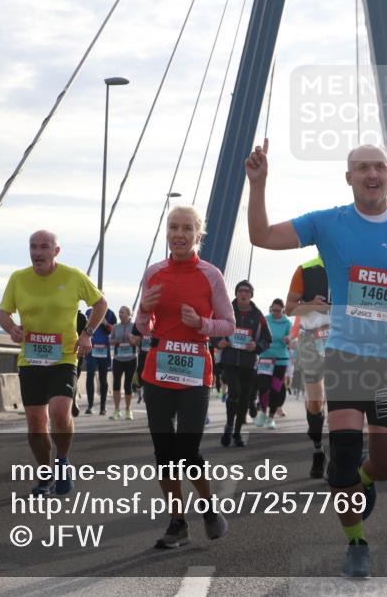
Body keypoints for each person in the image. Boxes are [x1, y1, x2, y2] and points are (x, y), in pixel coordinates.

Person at [246, 139, 387, 578]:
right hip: (346, 357)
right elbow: (261, 237)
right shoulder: (327, 223)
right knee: (342, 462)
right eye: (362, 168)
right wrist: (257, 185)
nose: (372, 174)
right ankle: (356, 542)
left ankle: (365, 481)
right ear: (349, 177)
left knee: (386, 466)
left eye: (379, 167)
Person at [135, 205, 236, 548]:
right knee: (164, 454)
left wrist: (201, 324)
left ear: (198, 235)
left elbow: (229, 324)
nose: (179, 235)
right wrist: (145, 310)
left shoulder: (211, 275)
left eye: (186, 229)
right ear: (167, 232)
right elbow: (142, 327)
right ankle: (177, 523)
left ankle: (208, 509)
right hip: (158, 370)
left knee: (187, 450)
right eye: (173, 228)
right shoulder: (153, 272)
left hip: (194, 372)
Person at [0, 230, 107, 496]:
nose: (37, 252)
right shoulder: (18, 278)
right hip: (30, 359)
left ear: (56, 251)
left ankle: (63, 460)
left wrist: (87, 334)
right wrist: (12, 328)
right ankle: (45, 475)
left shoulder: (73, 276)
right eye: (33, 247)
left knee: (59, 413)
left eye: (44, 247)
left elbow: (101, 303)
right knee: (36, 423)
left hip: (64, 357)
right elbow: (3, 313)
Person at [285, 256, 332, 478]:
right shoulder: (305, 270)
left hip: (343, 340)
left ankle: (337, 458)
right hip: (312, 341)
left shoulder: (354, 265)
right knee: (315, 402)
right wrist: (312, 305)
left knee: (340, 402)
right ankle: (318, 448)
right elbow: (289, 309)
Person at [215, 280, 272, 447]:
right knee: (234, 391)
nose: (244, 293)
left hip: (249, 363)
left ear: (251, 295)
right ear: (236, 293)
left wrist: (257, 346)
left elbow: (267, 339)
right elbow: (212, 329)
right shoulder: (225, 311)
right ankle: (229, 426)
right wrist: (218, 342)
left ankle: (237, 432)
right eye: (240, 290)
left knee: (244, 399)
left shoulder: (258, 316)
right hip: (229, 361)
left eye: (247, 291)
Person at [256, 298, 293, 429]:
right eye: (273, 310)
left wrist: (289, 339)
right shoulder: (265, 320)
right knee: (263, 387)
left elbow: (292, 340)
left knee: (276, 389)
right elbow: (258, 336)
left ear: (283, 310)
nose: (275, 313)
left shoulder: (287, 323)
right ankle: (262, 413)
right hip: (265, 357)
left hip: (281, 360)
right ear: (270, 308)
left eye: (278, 311)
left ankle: (271, 418)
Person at [84, 305, 116, 414]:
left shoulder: (110, 313)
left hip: (104, 350)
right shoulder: (88, 312)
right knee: (90, 376)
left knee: (103, 378)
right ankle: (90, 406)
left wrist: (105, 323)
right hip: (91, 350)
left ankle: (103, 407)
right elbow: (84, 328)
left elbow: (113, 331)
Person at [109, 306, 137, 420]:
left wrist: (132, 339)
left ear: (129, 314)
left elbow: (138, 340)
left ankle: (128, 410)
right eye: (119, 312)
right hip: (118, 359)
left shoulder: (134, 326)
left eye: (122, 312)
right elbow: (110, 341)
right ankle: (117, 410)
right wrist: (115, 341)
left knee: (128, 384)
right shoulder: (116, 327)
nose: (120, 314)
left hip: (131, 358)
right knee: (116, 384)